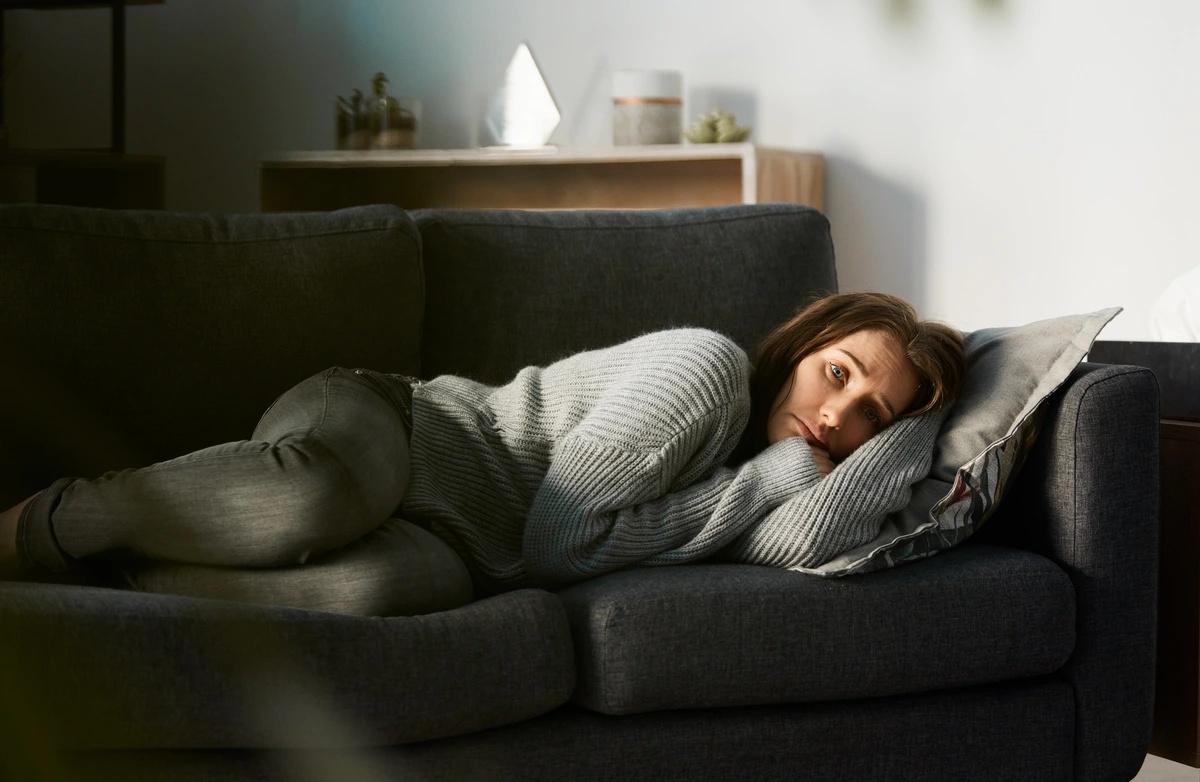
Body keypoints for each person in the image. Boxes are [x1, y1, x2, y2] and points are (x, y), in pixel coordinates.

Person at [0, 291, 965, 612]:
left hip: (460, 550)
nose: (839, 419)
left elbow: (808, 534)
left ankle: (120, 574)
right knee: (317, 500)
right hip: (400, 431)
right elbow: (558, 541)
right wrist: (768, 474)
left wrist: (920, 419)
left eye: (874, 418)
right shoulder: (706, 374)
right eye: (837, 372)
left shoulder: (774, 481)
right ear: (799, 346)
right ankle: (44, 524)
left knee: (372, 595)